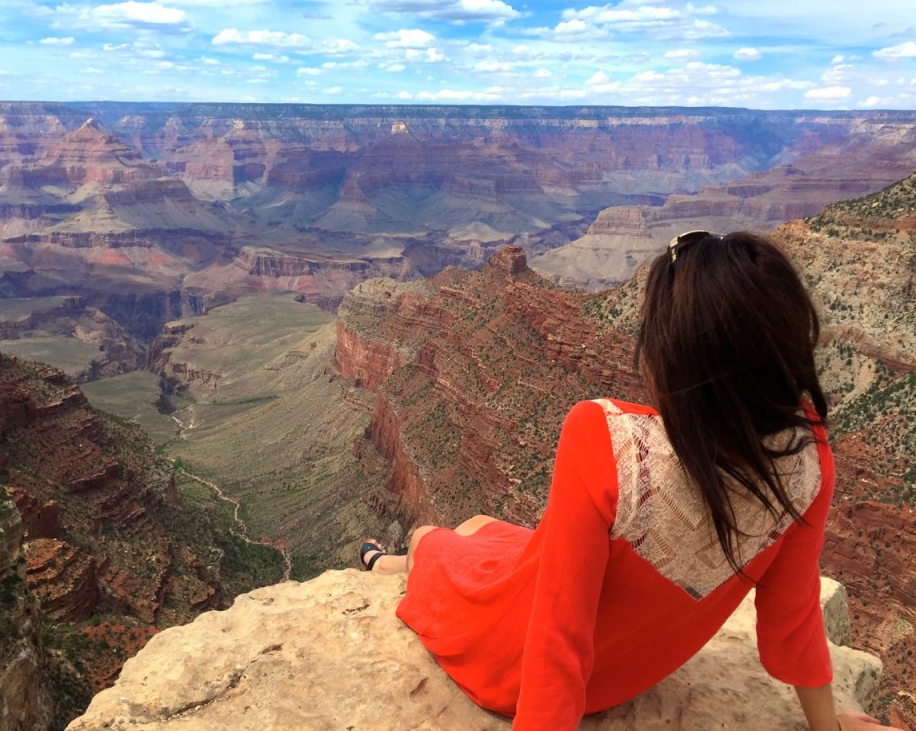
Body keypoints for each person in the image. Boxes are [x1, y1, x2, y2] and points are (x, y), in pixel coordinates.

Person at [359, 231, 902, 731]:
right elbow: (795, 618)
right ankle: (405, 559)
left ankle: (391, 561)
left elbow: (556, 643)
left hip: (507, 664)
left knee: (432, 540)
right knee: (485, 528)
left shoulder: (602, 437)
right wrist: (826, 725)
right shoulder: (808, 464)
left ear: (672, 355)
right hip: (622, 675)